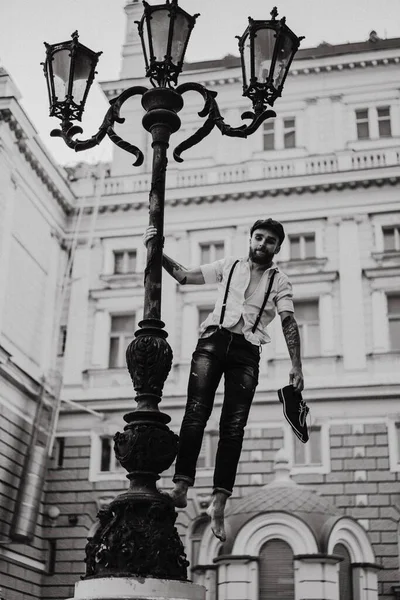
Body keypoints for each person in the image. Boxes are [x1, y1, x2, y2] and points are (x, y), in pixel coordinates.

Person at [143, 219, 305, 541]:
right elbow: (184, 277)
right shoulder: (228, 265)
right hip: (212, 342)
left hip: (247, 352)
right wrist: (157, 250)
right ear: (250, 239)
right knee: (195, 413)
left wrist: (296, 366)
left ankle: (218, 502)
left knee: (233, 427)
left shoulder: (281, 282)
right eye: (258, 237)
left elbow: (288, 321)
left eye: (270, 241)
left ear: (277, 247)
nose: (262, 244)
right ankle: (181, 487)